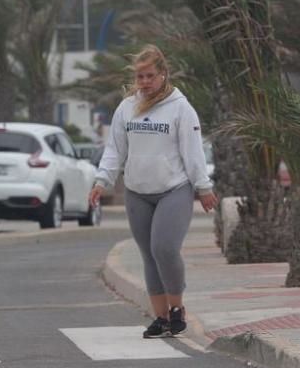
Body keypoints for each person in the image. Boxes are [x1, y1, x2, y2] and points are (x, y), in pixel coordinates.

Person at [88, 45, 219, 338]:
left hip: (174, 188)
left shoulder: (181, 108)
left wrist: (203, 187)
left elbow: (193, 151)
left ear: (163, 75)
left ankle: (176, 308)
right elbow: (115, 150)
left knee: (165, 248)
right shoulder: (127, 108)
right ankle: (159, 317)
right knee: (148, 254)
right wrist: (101, 181)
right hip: (137, 191)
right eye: (140, 76)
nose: (144, 81)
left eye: (150, 76)